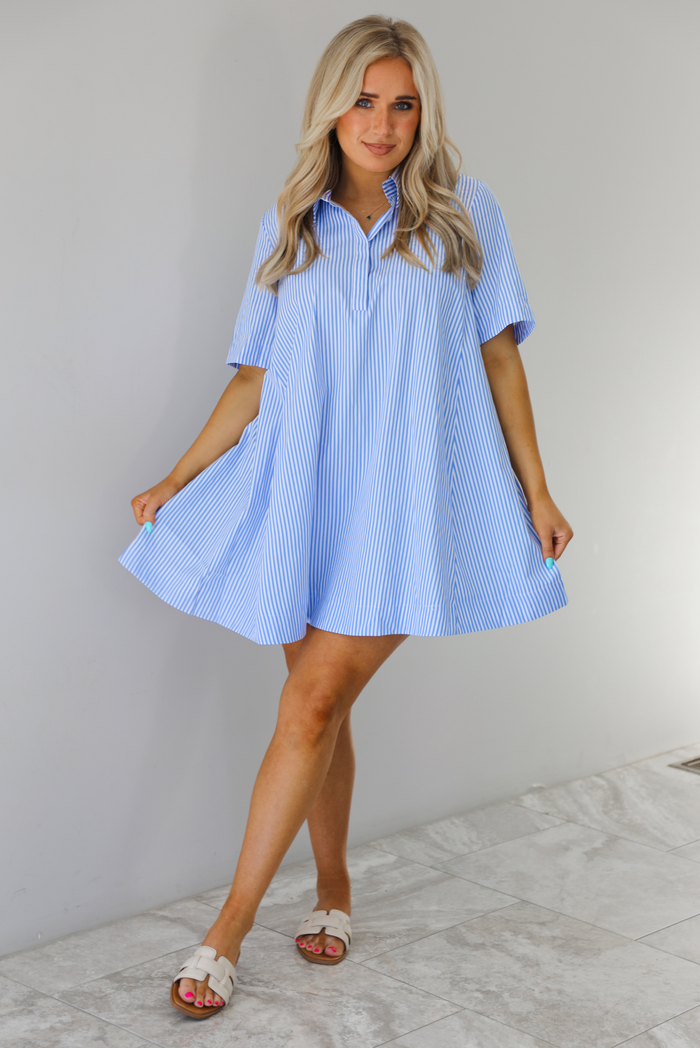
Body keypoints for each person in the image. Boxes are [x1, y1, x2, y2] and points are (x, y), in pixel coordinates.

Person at [119, 15, 573, 1019]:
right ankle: (333, 891)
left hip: (410, 506)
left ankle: (227, 930)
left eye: (402, 102)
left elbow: (500, 354)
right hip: (306, 500)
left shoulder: (465, 213)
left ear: (424, 113)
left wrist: (536, 490)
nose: (383, 122)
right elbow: (255, 375)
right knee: (321, 708)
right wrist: (181, 475)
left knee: (311, 701)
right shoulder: (289, 222)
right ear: (330, 106)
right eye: (364, 100)